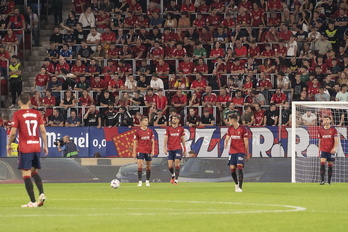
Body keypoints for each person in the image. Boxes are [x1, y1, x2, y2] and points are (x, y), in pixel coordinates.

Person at [7, 93, 48, 207]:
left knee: (26, 174)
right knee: (34, 171)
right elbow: (43, 131)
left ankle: (33, 201)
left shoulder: (17, 114)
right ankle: (42, 193)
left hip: (25, 147)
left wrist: (9, 144)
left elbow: (13, 132)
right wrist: (45, 145)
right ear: (30, 101)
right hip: (36, 146)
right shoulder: (36, 114)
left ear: (19, 102)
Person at [224, 114, 250, 193]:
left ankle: (240, 187)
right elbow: (228, 137)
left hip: (240, 150)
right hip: (232, 151)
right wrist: (226, 142)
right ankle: (236, 183)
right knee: (232, 168)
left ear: (233, 120)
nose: (228, 121)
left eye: (229, 120)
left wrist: (247, 153)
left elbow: (246, 141)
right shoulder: (230, 128)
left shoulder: (242, 128)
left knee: (239, 166)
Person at [163, 115, 187, 185]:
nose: (173, 120)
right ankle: (173, 175)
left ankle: (176, 180)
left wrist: (185, 149)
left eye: (175, 119)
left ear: (178, 120)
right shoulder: (168, 128)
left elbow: (183, 140)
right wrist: (164, 148)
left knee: (177, 163)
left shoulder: (181, 129)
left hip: (178, 148)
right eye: (173, 118)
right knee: (170, 166)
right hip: (170, 149)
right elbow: (165, 138)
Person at [133, 116, 155, 187]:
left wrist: (153, 151)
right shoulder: (138, 132)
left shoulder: (150, 131)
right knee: (140, 165)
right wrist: (134, 152)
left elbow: (152, 142)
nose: (147, 122)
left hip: (148, 151)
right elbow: (135, 142)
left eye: (147, 120)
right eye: (145, 120)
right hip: (140, 150)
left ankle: (147, 181)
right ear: (141, 122)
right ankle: (140, 181)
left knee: (148, 166)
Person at [318, 116, 338, 185]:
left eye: (327, 120)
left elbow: (336, 140)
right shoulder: (320, 130)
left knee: (330, 164)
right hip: (323, 149)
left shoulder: (333, 130)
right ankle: (322, 180)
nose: (326, 121)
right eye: (324, 120)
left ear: (330, 121)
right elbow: (320, 141)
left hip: (331, 150)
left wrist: (334, 148)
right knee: (322, 164)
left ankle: (329, 181)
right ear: (323, 121)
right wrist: (319, 150)